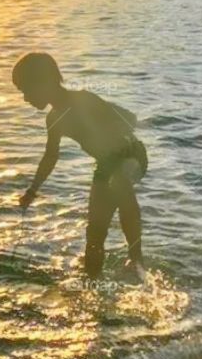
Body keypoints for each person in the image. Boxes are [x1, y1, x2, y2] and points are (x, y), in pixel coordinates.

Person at [12, 52, 147, 277]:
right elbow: (50, 157)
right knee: (94, 234)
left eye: (26, 90)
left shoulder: (84, 100)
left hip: (131, 154)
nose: (25, 98)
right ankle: (91, 284)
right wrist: (32, 190)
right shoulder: (53, 119)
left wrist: (117, 132)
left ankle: (136, 259)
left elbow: (130, 119)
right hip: (105, 165)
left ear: (44, 82)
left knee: (120, 182)